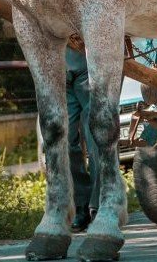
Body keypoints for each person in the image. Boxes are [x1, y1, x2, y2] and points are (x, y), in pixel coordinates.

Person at [65, 47, 100, 233]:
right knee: (65, 140)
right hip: (59, 71)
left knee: (95, 138)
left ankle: (97, 206)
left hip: (88, 67)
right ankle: (80, 203)